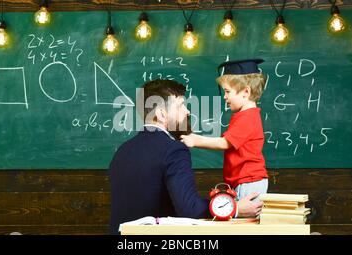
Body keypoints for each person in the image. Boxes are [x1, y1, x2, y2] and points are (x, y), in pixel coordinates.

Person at [109, 79, 263, 235]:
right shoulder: (173, 150)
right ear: (162, 114)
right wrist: (234, 208)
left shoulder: (121, 152)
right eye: (181, 105)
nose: (187, 111)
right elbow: (190, 209)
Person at [181, 59, 269, 202]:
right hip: (244, 180)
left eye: (227, 91)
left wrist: (195, 140)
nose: (225, 97)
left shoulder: (248, 117)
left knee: (244, 220)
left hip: (249, 181)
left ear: (246, 92)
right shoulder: (245, 115)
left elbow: (225, 143)